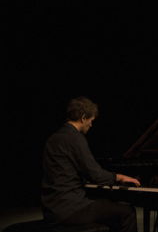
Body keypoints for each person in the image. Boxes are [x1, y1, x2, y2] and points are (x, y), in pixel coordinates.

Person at [41, 96, 141, 232]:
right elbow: (95, 175)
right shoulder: (75, 138)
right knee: (127, 212)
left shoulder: (53, 138)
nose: (91, 125)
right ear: (83, 117)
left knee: (107, 208)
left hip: (51, 209)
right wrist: (119, 177)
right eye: (91, 120)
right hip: (70, 210)